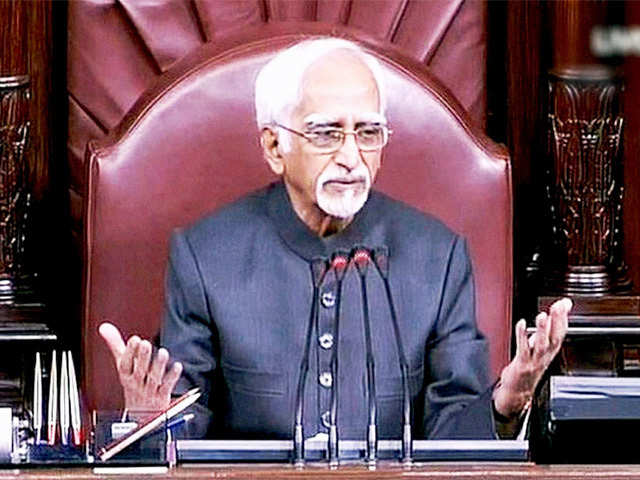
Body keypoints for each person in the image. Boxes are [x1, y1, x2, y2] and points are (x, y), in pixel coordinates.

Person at [99, 38, 571, 440]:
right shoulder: (204, 256)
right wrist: (151, 418)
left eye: (368, 132)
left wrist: (507, 401)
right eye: (327, 133)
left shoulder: (437, 256)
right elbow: (186, 433)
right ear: (273, 147)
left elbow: (451, 435)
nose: (351, 155)